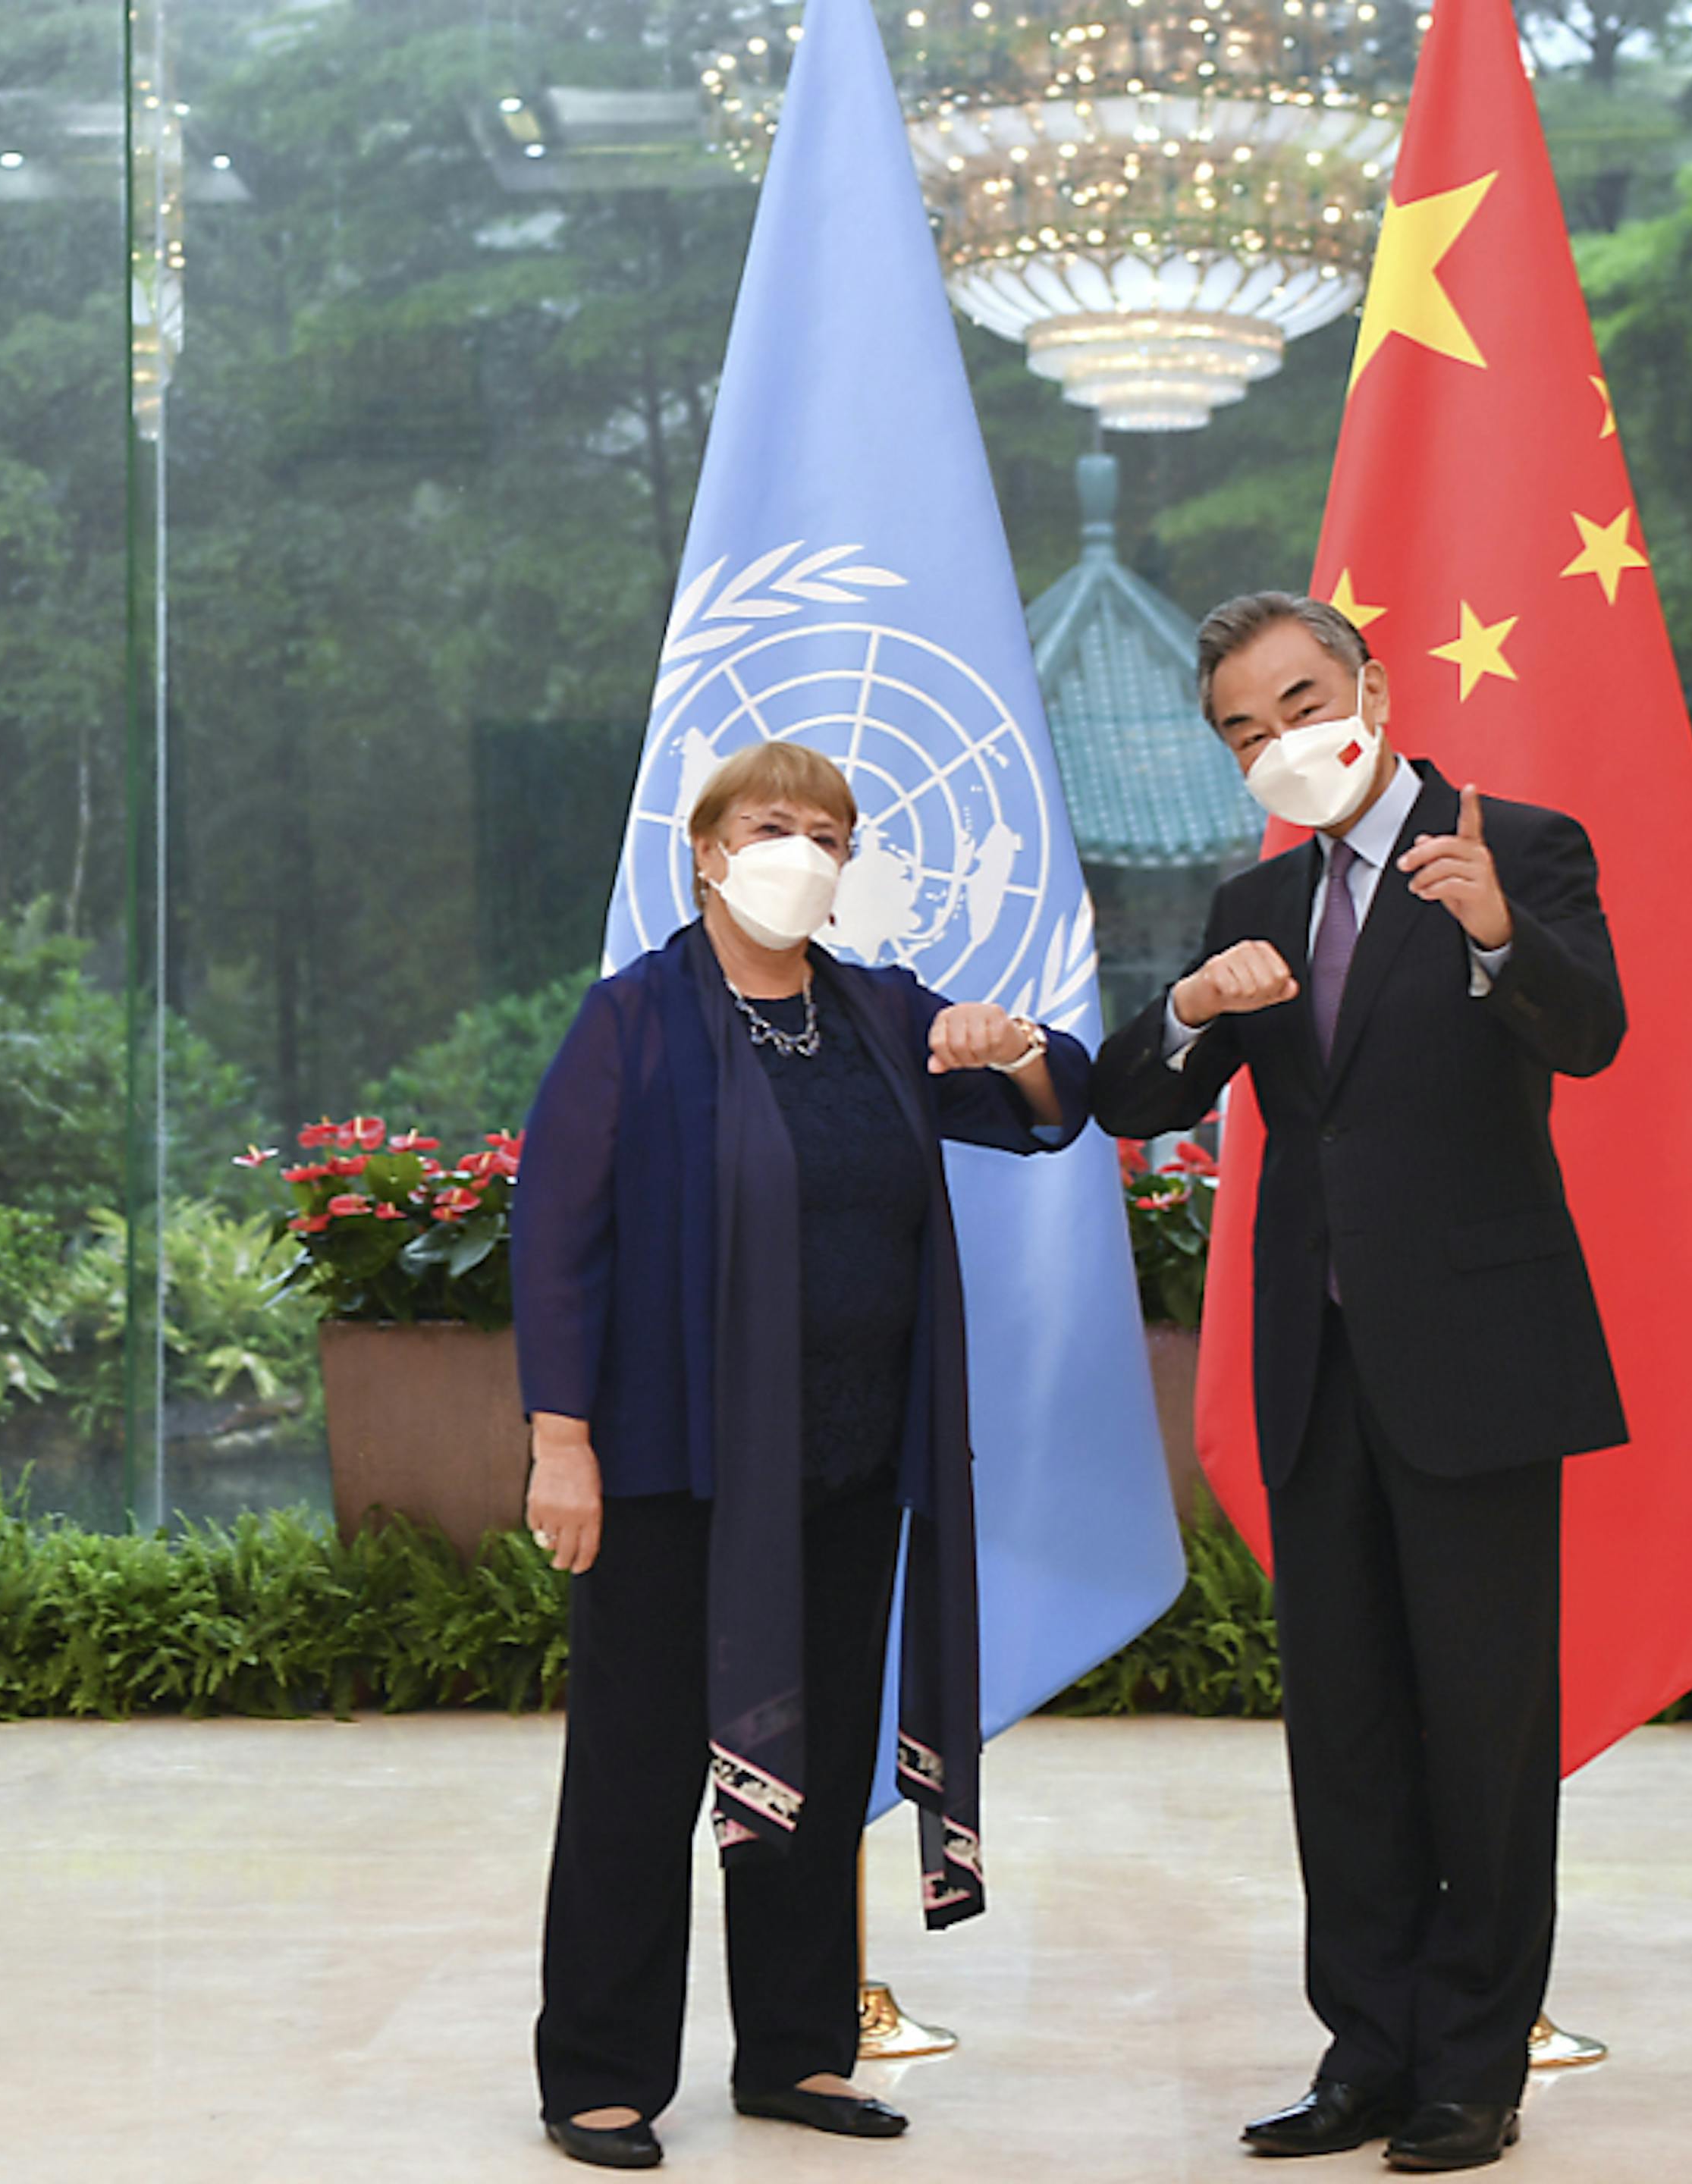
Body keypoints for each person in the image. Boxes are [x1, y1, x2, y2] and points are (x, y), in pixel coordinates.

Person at [1089, 594, 1628, 2174]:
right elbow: (1134, 1094)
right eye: (1245, 733)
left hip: (1476, 1363)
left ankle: (1474, 2069)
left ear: (1373, 691)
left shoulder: (1515, 843)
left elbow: (1592, 1037)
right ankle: (1366, 2055)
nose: (1279, 745)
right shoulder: (1249, 894)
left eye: (1300, 703)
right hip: (1313, 1372)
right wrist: (1193, 1007)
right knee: (1344, 1735)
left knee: (1482, 1729)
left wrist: (1494, 935)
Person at [511, 739, 1089, 2171]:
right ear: (707, 852)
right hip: (665, 1466)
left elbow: (1059, 1105)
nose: (803, 851)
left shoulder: (884, 1014)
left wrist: (1007, 1045)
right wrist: (559, 1443)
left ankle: (796, 2053)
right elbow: (555, 1237)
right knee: (642, 1772)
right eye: (773, 826)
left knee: (815, 1772)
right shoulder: (634, 1021)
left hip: (844, 1464)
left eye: (830, 833)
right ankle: (599, 2072)